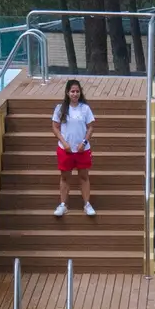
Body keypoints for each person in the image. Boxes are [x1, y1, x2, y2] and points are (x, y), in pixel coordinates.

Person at [51, 78, 96, 218]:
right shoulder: (60, 108)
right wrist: (64, 143)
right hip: (65, 150)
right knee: (65, 178)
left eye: (77, 91)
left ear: (80, 92)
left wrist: (84, 142)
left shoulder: (85, 108)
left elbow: (90, 127)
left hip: (82, 150)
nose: (75, 94)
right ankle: (63, 205)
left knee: (84, 177)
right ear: (67, 92)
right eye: (72, 91)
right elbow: (55, 127)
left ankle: (87, 204)